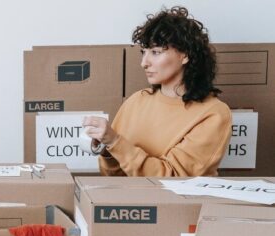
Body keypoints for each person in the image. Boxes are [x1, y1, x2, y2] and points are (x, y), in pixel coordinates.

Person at [82, 6, 232, 176]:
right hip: (130, 200)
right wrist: (107, 149)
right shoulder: (136, 101)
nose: (144, 63)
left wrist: (116, 142)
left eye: (155, 52)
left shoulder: (213, 114)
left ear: (185, 55)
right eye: (143, 52)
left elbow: (173, 178)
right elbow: (114, 175)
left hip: (178, 201)